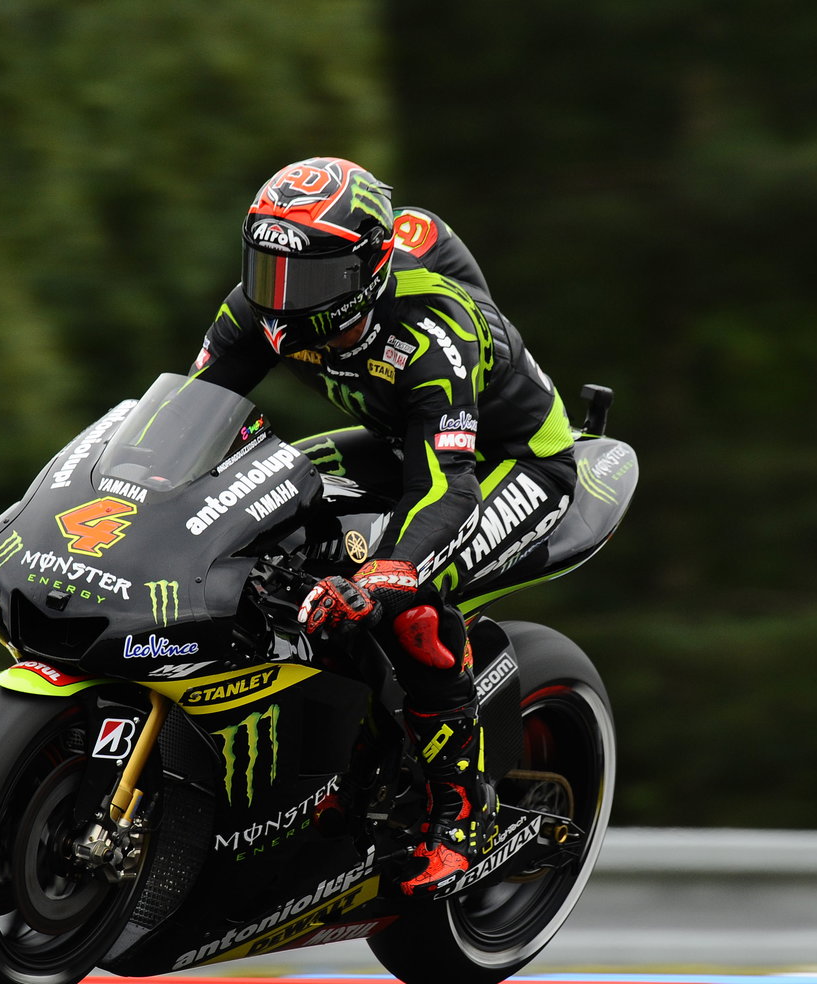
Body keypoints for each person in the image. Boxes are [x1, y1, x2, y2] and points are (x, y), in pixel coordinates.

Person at [188, 157, 577, 897]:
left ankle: (460, 809)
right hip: (407, 442)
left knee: (405, 604)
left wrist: (389, 574)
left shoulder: (429, 333)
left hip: (511, 462)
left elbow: (445, 486)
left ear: (364, 270)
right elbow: (189, 419)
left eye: (302, 279)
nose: (278, 299)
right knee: (266, 506)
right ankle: (337, 749)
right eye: (266, 270)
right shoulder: (255, 312)